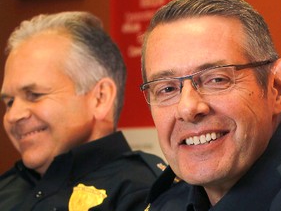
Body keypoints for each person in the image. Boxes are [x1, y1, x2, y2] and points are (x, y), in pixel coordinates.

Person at [0, 11, 166, 211]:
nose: (13, 115)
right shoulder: (6, 189)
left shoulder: (145, 192)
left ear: (100, 98)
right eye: (9, 102)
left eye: (34, 95)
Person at [140, 0, 281, 210]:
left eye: (216, 79)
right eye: (167, 89)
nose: (188, 108)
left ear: (276, 87)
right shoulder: (166, 203)